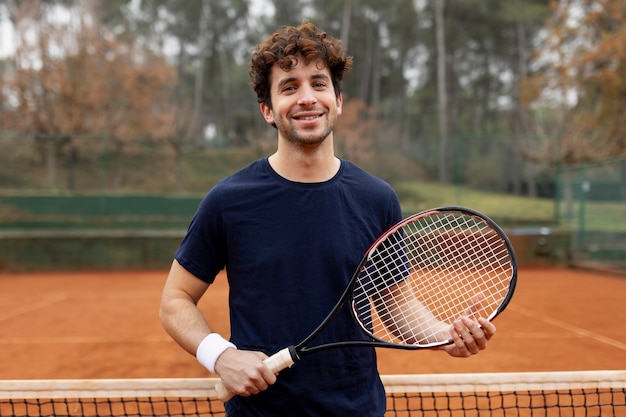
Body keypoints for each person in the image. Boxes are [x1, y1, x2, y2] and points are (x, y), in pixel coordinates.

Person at [159, 20, 496, 417]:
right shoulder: (228, 200)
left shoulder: (377, 199)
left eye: (318, 84)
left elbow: (395, 305)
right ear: (268, 110)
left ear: (338, 101)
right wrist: (221, 356)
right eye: (289, 87)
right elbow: (175, 300)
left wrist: (445, 335)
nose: (306, 98)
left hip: (356, 409)